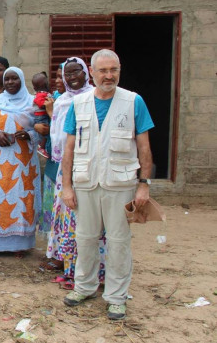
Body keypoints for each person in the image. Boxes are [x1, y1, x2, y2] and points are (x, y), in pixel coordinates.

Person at [61, 49, 154, 321]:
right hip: (85, 182)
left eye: (113, 70)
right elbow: (68, 149)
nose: (109, 75)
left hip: (120, 183)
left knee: (118, 242)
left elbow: (144, 147)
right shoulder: (79, 104)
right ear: (92, 72)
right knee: (86, 239)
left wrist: (143, 185)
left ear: (119, 70)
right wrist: (66, 187)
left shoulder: (133, 101)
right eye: (103, 71)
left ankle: (116, 298)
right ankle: (85, 287)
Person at [44, 58, 103, 278]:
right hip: (65, 166)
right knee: (67, 212)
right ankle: (65, 258)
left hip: (91, 165)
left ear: (86, 72)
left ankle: (90, 265)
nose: (71, 78)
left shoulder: (95, 97)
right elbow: (56, 135)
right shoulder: (61, 102)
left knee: (89, 213)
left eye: (75, 72)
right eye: (66, 74)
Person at [0, 67, 41, 256]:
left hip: (24, 160)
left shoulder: (32, 103)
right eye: (8, 79)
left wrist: (29, 135)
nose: (11, 82)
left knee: (22, 199)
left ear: (22, 80)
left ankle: (20, 245)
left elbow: (43, 127)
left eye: (15, 79)